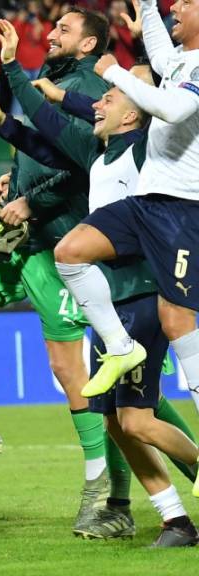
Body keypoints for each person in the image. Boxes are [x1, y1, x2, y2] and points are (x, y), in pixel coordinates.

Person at [0, 19, 199, 546]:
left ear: (133, 112)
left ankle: (182, 501)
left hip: (141, 296)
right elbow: (47, 143)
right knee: (118, 424)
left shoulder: (144, 150)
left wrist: (23, 72)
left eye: (108, 100)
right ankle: (175, 520)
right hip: (109, 305)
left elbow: (66, 114)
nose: (97, 106)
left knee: (138, 421)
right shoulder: (98, 156)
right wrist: (0, 123)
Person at [0, 10, 115, 537]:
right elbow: (43, 152)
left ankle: (98, 487)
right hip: (17, 236)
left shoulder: (88, 87)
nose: (51, 36)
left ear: (88, 44)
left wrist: (31, 202)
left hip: (60, 242)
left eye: (63, 30)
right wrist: (14, 172)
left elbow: (80, 168)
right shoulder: (54, 84)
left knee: (68, 371)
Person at [53, 0, 199, 520]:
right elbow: (159, 50)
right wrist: (146, 9)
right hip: (149, 207)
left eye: (181, 2)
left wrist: (113, 69)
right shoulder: (181, 59)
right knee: (68, 250)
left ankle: (172, 501)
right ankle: (119, 346)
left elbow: (176, 110)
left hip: (184, 209)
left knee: (177, 320)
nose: (173, 7)